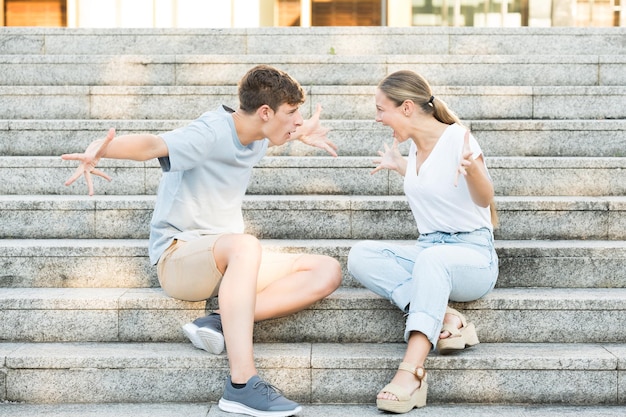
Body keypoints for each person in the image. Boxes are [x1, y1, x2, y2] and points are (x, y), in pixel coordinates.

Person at [62, 64, 343, 417]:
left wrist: (297, 134)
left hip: (224, 258)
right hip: (179, 256)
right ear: (266, 112)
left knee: (326, 269)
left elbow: (277, 130)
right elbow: (153, 145)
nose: (298, 121)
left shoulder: (257, 135)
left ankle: (218, 320)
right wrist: (100, 149)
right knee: (245, 244)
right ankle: (242, 385)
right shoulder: (209, 132)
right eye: (292, 114)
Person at [347, 70, 499, 414]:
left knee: (432, 260)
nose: (377, 117)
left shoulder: (459, 138)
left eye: (381, 109)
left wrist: (474, 171)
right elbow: (435, 186)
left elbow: (484, 197)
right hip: (430, 249)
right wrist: (402, 168)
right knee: (361, 255)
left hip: (472, 256)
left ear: (406, 108)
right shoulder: (415, 150)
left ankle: (411, 373)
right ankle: (444, 316)